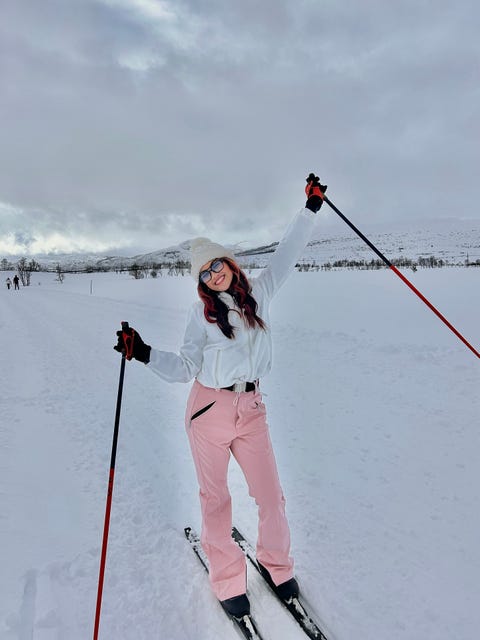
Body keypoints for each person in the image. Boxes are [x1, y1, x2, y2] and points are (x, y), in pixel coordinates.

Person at [114, 174, 327, 618]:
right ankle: (227, 578)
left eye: (217, 265)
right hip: (208, 411)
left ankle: (277, 565)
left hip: (251, 409)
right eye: (206, 273)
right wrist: (144, 352)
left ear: (229, 263)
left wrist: (310, 209)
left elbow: (286, 254)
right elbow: (185, 367)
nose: (214, 275)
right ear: (202, 282)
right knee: (216, 500)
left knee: (271, 496)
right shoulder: (201, 315)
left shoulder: (259, 295)